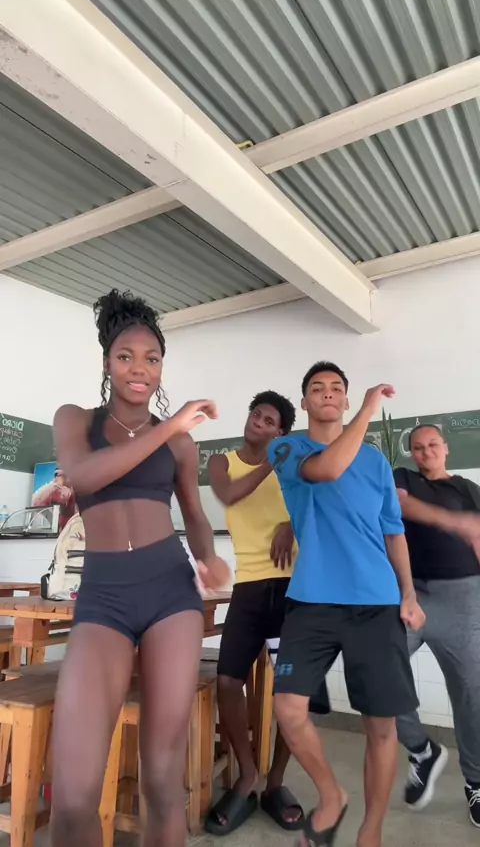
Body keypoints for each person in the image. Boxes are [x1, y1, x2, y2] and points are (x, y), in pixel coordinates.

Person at [50, 289, 230, 847]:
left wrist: (209, 558)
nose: (140, 368)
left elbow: (195, 517)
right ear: (108, 362)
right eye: (126, 356)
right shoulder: (75, 420)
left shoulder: (180, 446)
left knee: (161, 779)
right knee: (73, 796)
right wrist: (168, 426)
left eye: (152, 358)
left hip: (170, 594)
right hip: (103, 596)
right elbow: (83, 476)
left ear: (161, 368)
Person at [268, 361, 425, 847]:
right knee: (289, 709)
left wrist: (408, 592)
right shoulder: (287, 448)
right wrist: (369, 409)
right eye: (317, 388)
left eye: (337, 387)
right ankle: (331, 795)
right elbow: (328, 469)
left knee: (381, 724)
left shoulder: (376, 463)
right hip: (311, 602)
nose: (328, 393)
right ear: (305, 402)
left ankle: (370, 829)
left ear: (344, 398)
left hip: (376, 603)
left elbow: (393, 531)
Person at [205, 392, 330, 836]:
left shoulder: (294, 467)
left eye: (269, 420)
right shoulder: (221, 463)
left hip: (295, 589)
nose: (258, 422)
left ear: (281, 431)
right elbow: (229, 494)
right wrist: (273, 462)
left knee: (294, 694)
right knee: (228, 682)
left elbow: (319, 505)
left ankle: (275, 781)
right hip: (249, 587)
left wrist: (290, 524)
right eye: (255, 415)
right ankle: (248, 774)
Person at [394, 424, 480, 826]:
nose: (426, 451)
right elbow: (400, 507)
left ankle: (476, 783)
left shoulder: (467, 489)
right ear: (412, 453)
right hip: (412, 595)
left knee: (471, 695)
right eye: (418, 447)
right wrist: (455, 523)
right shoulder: (403, 479)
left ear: (445, 448)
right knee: (378, 669)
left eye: (432, 445)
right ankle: (421, 750)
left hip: (464, 598)